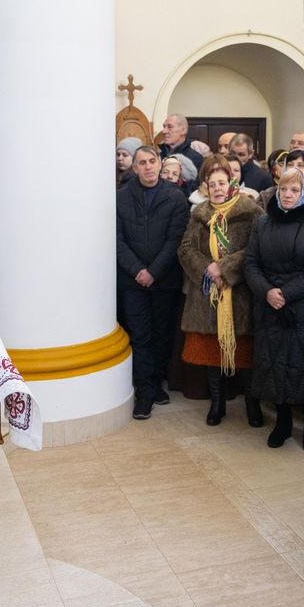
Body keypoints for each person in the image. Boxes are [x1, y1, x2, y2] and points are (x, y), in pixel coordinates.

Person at [245, 168, 304, 450]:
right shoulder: (262, 222)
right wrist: (267, 291)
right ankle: (282, 422)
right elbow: (251, 263)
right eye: (283, 189)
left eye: (294, 190)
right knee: (273, 364)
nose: (287, 195)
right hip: (269, 304)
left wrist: (287, 293)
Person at [178, 159, 263, 427]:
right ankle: (217, 403)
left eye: (222, 183)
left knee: (245, 354)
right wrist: (208, 270)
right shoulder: (199, 214)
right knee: (212, 353)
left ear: (231, 184)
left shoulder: (251, 212)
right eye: (211, 184)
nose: (217, 188)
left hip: (241, 295)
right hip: (208, 293)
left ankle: (252, 405)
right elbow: (185, 249)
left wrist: (225, 269)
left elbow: (256, 248)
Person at [117, 146, 192, 419]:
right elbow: (117, 239)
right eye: (142, 163)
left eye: (152, 161)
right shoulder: (120, 197)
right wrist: (138, 270)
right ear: (134, 168)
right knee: (140, 335)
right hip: (132, 280)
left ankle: (157, 381)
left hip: (165, 279)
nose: (148, 167)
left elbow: (176, 240)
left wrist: (153, 272)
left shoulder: (176, 197)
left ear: (160, 164)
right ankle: (145, 391)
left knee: (162, 334)